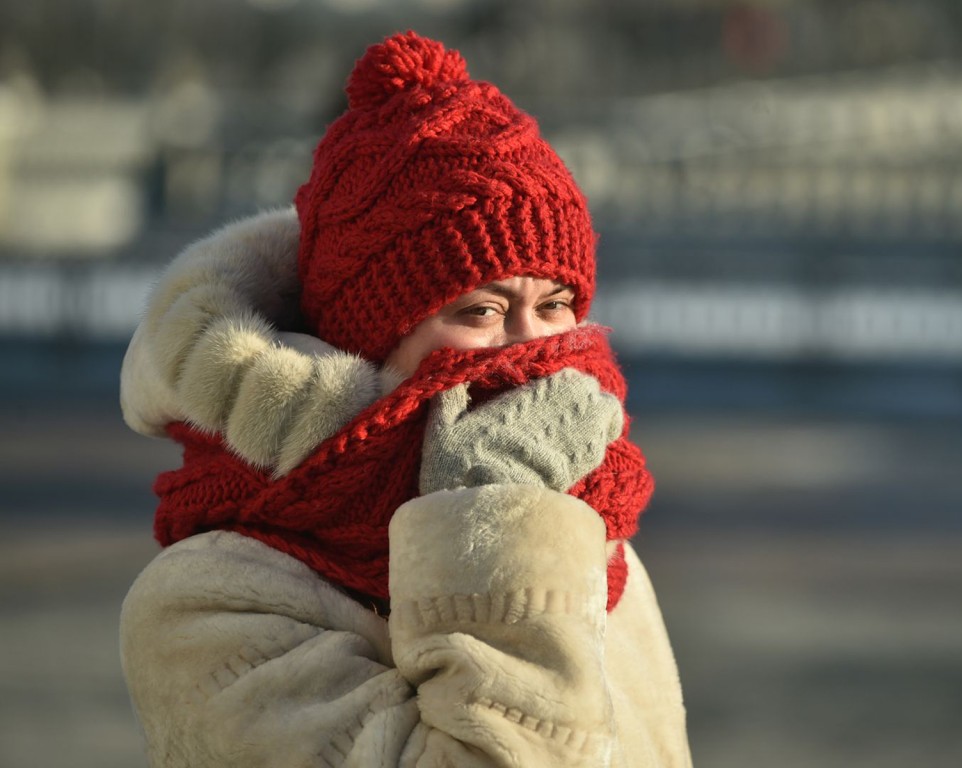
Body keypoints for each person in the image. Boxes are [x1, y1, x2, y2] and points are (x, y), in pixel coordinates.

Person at [119, 31, 693, 767]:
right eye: (479, 312)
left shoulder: (585, 519)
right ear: (369, 338)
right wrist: (488, 516)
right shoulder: (205, 602)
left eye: (554, 304)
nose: (529, 348)